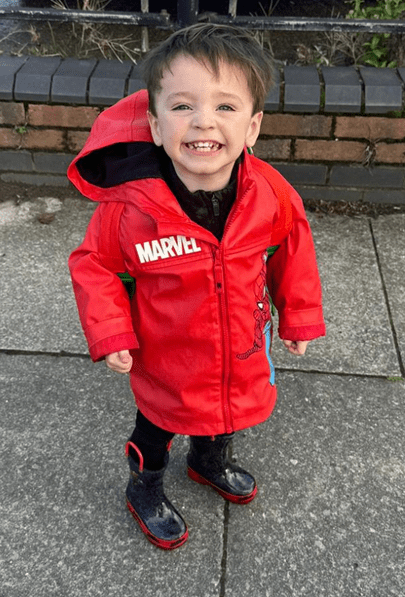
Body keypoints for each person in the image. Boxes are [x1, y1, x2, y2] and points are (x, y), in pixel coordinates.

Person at [68, 22, 325, 551]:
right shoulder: (131, 211)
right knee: (157, 428)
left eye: (225, 108)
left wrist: (298, 314)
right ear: (156, 126)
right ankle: (145, 486)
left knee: (224, 413)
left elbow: (292, 249)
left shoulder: (271, 195)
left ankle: (209, 460)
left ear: (253, 127)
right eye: (182, 106)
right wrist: (111, 332)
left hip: (239, 346)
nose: (203, 121)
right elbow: (94, 265)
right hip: (167, 358)